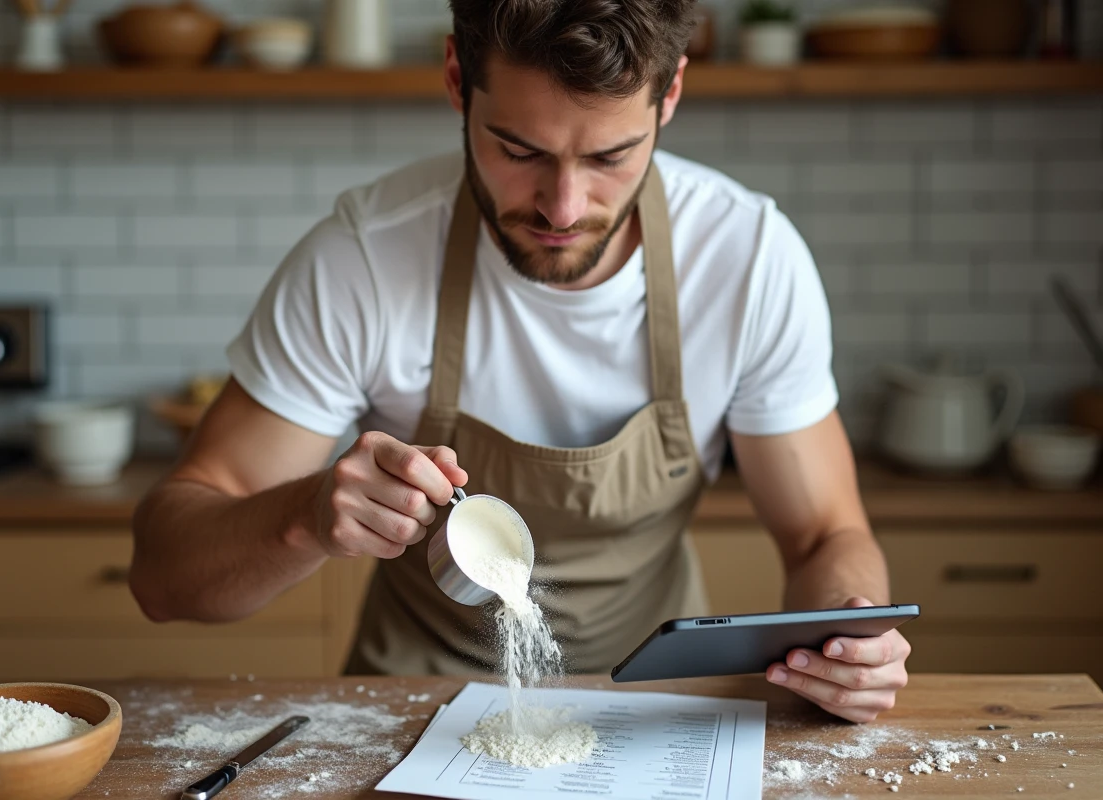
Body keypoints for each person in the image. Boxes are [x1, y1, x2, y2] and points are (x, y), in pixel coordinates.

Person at [130, 0, 910, 723]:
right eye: (519, 150)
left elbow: (823, 535)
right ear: (456, 79)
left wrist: (850, 635)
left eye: (611, 155)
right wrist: (304, 518)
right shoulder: (362, 261)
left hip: (659, 713)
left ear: (670, 94)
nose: (562, 207)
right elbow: (163, 580)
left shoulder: (747, 258)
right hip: (405, 716)